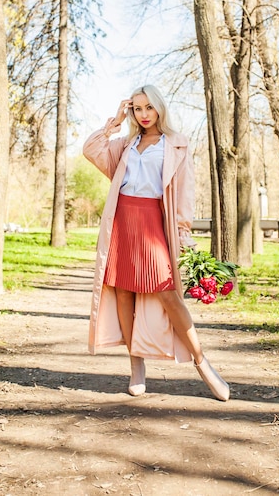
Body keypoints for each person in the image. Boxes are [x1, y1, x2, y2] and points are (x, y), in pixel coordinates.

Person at [83, 85, 229, 401]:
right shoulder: (124, 144)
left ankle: (202, 363)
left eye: (149, 107)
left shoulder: (175, 145)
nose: (144, 114)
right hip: (122, 221)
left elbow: (185, 193)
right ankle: (136, 366)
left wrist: (183, 233)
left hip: (154, 224)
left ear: (159, 108)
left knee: (168, 294)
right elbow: (91, 149)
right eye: (137, 108)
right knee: (123, 292)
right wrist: (115, 122)